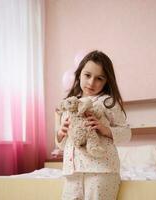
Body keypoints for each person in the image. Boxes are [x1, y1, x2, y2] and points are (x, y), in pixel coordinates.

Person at [55, 50, 131, 200]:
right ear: (79, 74)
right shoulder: (70, 105)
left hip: (102, 170)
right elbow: (64, 145)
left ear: (106, 81)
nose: (91, 82)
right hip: (72, 171)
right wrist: (60, 133)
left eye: (99, 78)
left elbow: (126, 134)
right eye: (87, 75)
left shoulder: (108, 103)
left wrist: (105, 130)